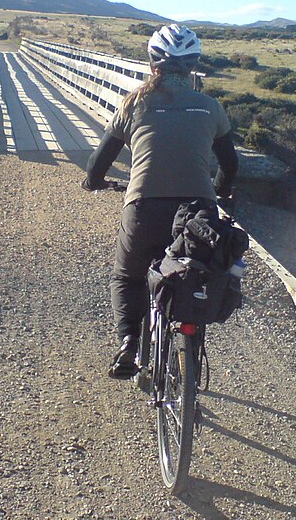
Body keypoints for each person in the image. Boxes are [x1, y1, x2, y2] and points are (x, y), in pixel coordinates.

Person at [81, 24, 238, 378]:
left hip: (145, 207)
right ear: (192, 66)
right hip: (199, 211)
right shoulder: (209, 107)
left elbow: (99, 161)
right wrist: (221, 191)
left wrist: (94, 182)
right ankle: (190, 339)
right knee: (195, 272)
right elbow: (230, 164)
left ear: (153, 66)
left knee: (127, 277)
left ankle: (129, 345)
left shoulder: (134, 103)